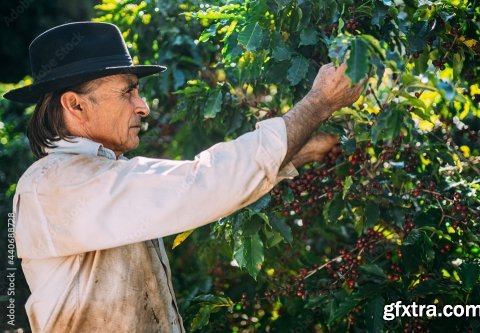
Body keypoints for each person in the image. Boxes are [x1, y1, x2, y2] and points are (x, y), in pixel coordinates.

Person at [4, 22, 363, 333]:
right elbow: (201, 183)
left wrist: (296, 152)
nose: (143, 106)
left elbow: (196, 189)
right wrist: (318, 103)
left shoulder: (98, 176)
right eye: (128, 90)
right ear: (76, 105)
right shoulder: (55, 184)